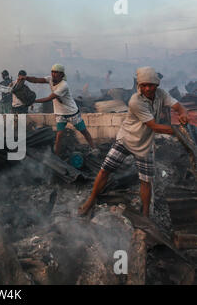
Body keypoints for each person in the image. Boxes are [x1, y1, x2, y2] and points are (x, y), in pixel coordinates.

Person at [78, 67, 189, 218]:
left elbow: (177, 106)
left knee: (146, 180)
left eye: (151, 85)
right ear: (139, 85)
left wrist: (183, 113)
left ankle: (145, 216)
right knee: (105, 170)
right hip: (126, 139)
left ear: (156, 85)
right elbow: (154, 126)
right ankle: (90, 200)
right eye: (144, 85)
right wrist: (179, 131)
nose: (147, 88)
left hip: (144, 144)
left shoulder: (161, 94)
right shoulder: (135, 101)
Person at [18, 64, 97, 155]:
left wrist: (33, 101)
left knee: (84, 131)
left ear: (61, 75)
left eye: (56, 72)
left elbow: (49, 98)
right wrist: (25, 78)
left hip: (72, 113)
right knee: (59, 135)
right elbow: (36, 80)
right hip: (60, 114)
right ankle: (57, 155)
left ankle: (93, 148)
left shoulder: (64, 85)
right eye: (52, 72)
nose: (53, 74)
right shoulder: (50, 79)